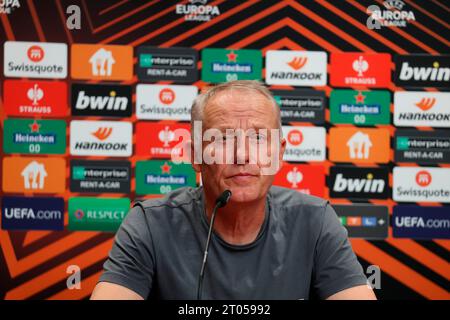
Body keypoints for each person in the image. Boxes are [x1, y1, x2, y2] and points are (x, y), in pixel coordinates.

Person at [91, 80, 376, 300]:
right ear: (195, 156)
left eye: (258, 138)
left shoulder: (315, 220)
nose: (242, 155)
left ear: (278, 153)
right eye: (223, 139)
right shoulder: (150, 223)